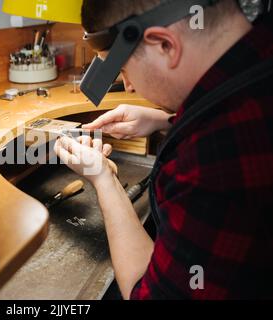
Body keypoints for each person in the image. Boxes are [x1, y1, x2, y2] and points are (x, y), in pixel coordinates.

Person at [54, 0, 273, 299]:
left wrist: (103, 178)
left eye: (122, 68)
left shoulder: (213, 162)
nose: (128, 86)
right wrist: (166, 121)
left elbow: (149, 295)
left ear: (165, 45)